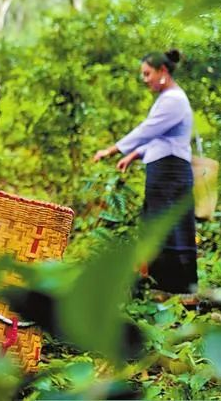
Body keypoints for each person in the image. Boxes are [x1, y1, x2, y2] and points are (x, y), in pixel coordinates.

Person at [93, 49, 197, 296]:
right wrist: (134, 155)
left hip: (171, 171)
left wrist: (113, 149)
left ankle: (176, 288)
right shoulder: (166, 98)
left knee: (167, 225)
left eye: (148, 73)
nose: (145, 79)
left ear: (163, 71)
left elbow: (147, 130)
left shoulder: (173, 99)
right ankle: (161, 284)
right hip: (165, 168)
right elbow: (160, 137)